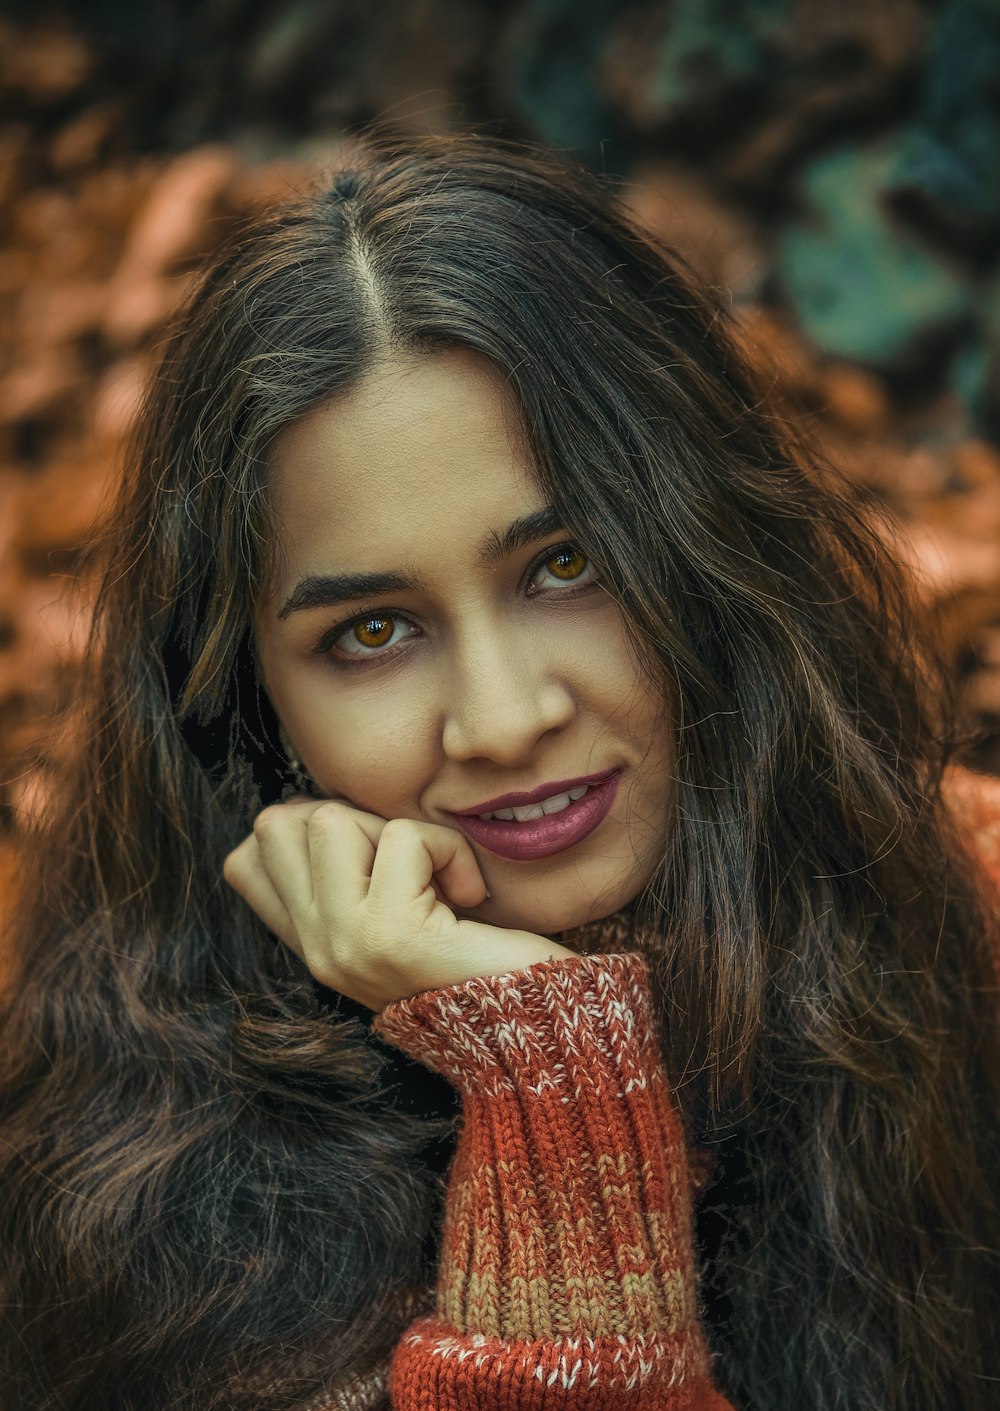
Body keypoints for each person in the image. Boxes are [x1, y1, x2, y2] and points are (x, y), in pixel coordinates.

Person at [1, 128, 998, 1411]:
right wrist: (551, 1070)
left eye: (566, 565)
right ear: (247, 705)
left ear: (710, 547)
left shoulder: (956, 901)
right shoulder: (166, 1236)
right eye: (372, 632)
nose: (503, 717)